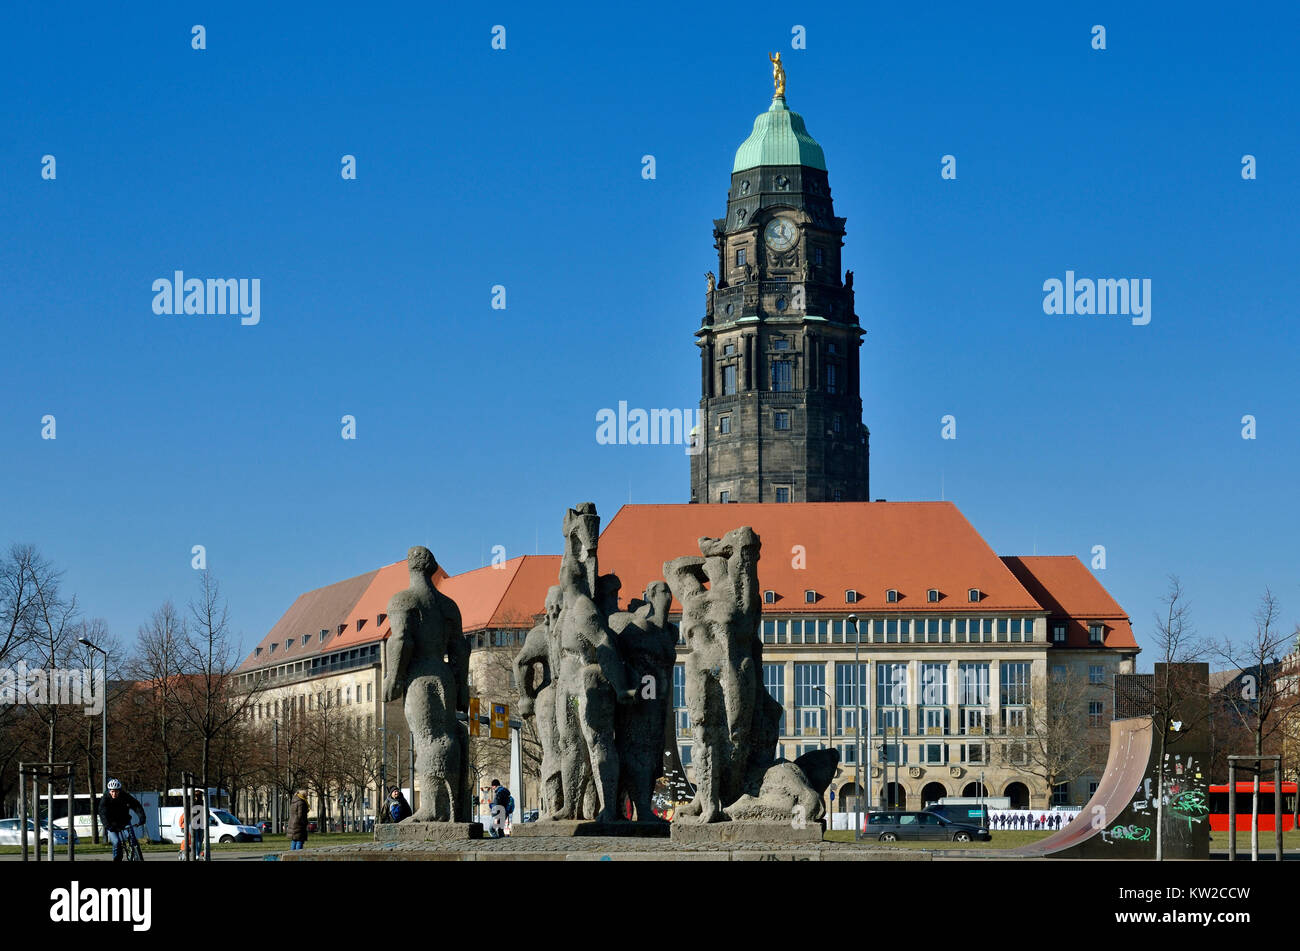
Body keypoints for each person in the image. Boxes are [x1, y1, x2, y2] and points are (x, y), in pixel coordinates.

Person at [97, 779, 146, 862]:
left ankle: (139, 857)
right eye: (112, 791)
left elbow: (136, 805)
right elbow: (102, 814)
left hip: (124, 821)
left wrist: (142, 818)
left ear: (119, 791)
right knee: (116, 842)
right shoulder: (105, 799)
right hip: (111, 824)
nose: (114, 793)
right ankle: (116, 859)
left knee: (133, 840)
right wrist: (108, 826)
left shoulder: (125, 796)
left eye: (116, 791)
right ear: (109, 791)